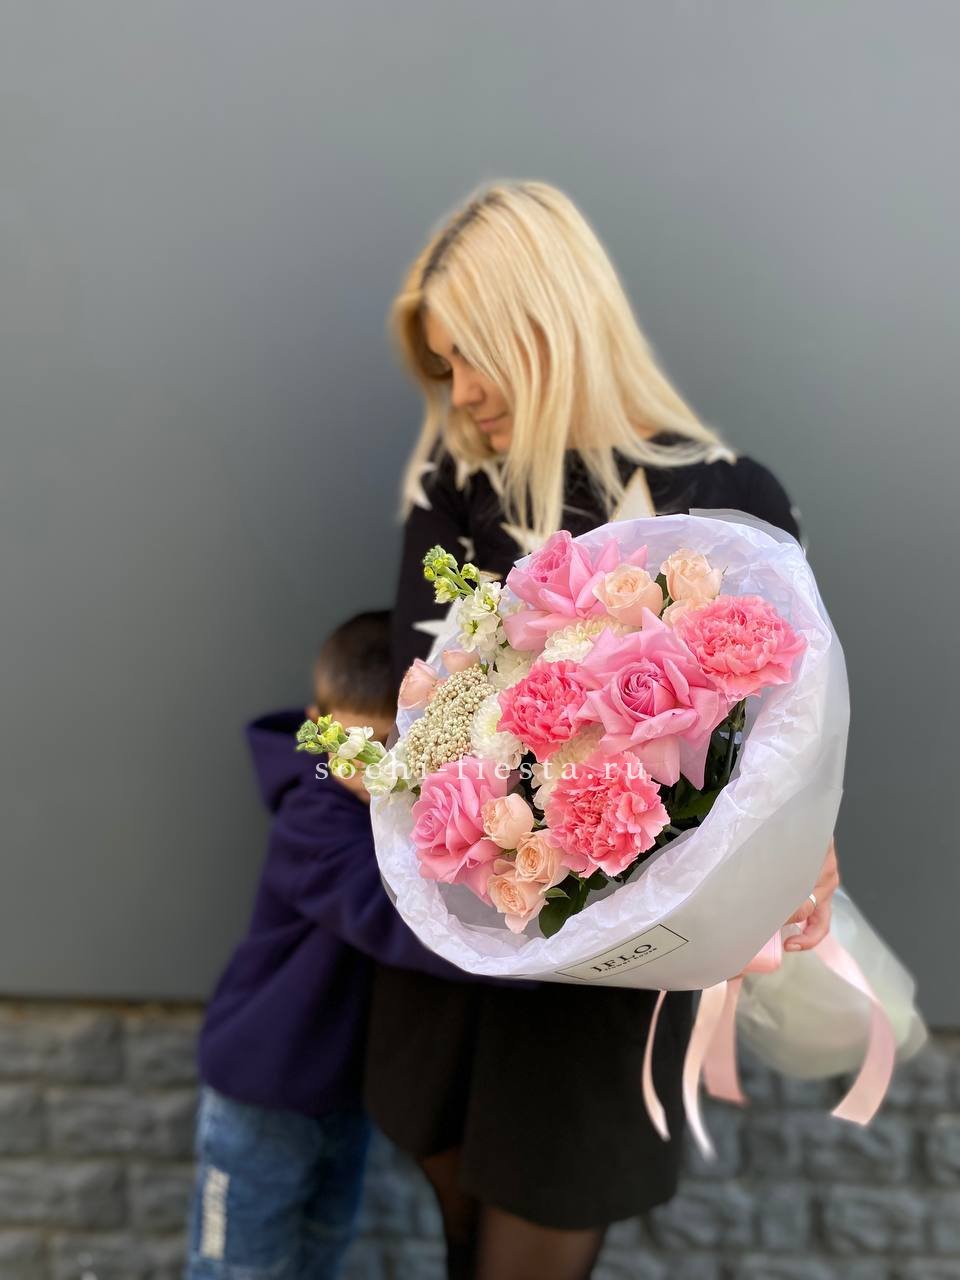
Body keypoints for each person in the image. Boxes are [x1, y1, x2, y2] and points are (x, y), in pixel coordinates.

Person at [364, 180, 841, 1280]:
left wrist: (795, 837)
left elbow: (786, 744)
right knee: (458, 1243)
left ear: (554, 323)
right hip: (452, 952)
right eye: (444, 364)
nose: (461, 391)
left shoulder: (728, 496)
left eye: (477, 354)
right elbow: (418, 711)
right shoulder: (458, 483)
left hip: (611, 983)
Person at [185, 610, 472, 1280]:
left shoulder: (394, 806)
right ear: (317, 724)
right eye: (358, 743)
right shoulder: (312, 816)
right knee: (238, 1270)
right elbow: (393, 921)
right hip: (263, 1089)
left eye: (395, 743)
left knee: (320, 1255)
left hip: (341, 1096)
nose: (376, 767)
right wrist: (535, 963)